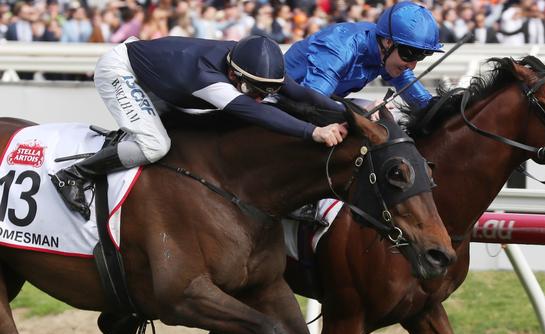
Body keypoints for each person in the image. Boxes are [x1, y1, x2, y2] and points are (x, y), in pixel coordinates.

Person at [51, 35, 348, 220]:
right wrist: (313, 132)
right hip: (122, 71)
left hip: (163, 79)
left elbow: (300, 96)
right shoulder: (209, 79)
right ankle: (75, 174)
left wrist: (349, 113)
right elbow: (254, 112)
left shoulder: (250, 64)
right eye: (253, 89)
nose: (259, 96)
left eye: (264, 90)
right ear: (233, 74)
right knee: (155, 146)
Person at [284, 1, 444, 112]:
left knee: (385, 118)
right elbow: (311, 101)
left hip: (320, 102)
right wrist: (359, 112)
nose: (413, 65)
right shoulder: (340, 48)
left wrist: (443, 108)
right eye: (410, 54)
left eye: (421, 56)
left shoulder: (386, 52)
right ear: (388, 42)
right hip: (278, 100)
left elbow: (417, 96)